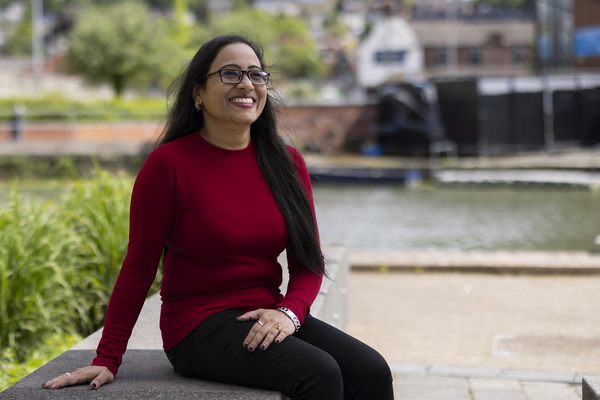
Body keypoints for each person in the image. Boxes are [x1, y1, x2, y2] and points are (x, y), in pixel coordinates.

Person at [42, 34, 394, 399]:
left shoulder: (287, 163)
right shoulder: (168, 165)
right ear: (197, 93)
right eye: (230, 73)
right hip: (197, 326)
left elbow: (308, 264)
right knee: (319, 373)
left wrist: (288, 312)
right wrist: (108, 356)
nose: (246, 84)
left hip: (266, 311)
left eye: (256, 75)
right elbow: (138, 266)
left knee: (371, 371)